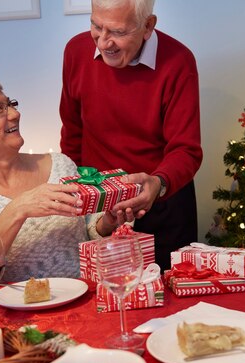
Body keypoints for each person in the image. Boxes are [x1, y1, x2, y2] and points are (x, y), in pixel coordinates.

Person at [0, 72, 132, 283]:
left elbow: (88, 229)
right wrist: (18, 209)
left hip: (82, 302)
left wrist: (106, 223)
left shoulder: (60, 164)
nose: (14, 114)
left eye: (10, 104)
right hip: (14, 314)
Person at [59, 0, 203, 271]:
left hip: (162, 199)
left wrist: (158, 184)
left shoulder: (178, 61)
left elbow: (186, 150)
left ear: (148, 26)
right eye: (96, 26)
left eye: (117, 32)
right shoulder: (75, 51)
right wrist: (81, 194)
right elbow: (71, 132)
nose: (103, 42)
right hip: (100, 206)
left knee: (168, 302)